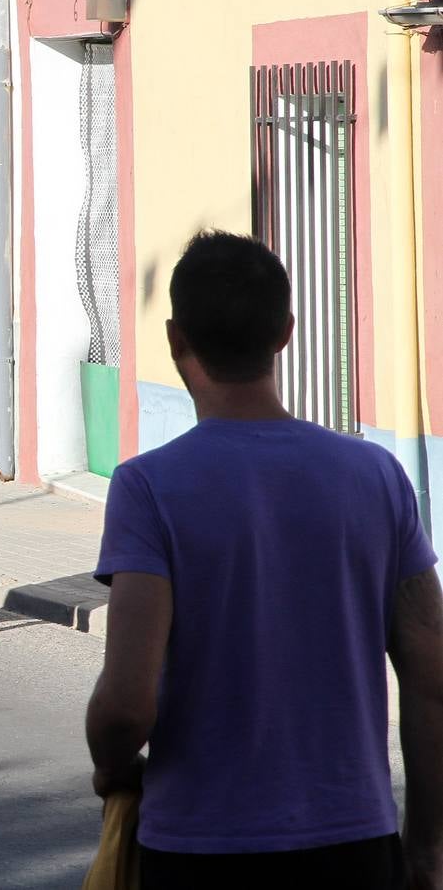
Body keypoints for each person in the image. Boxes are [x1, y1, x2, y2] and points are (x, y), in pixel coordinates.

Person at [86, 230, 443, 889]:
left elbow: (124, 708)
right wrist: (424, 853)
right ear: (284, 333)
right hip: (355, 844)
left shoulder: (147, 488)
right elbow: (430, 680)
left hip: (197, 848)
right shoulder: (377, 477)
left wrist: (110, 767)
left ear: (174, 339)